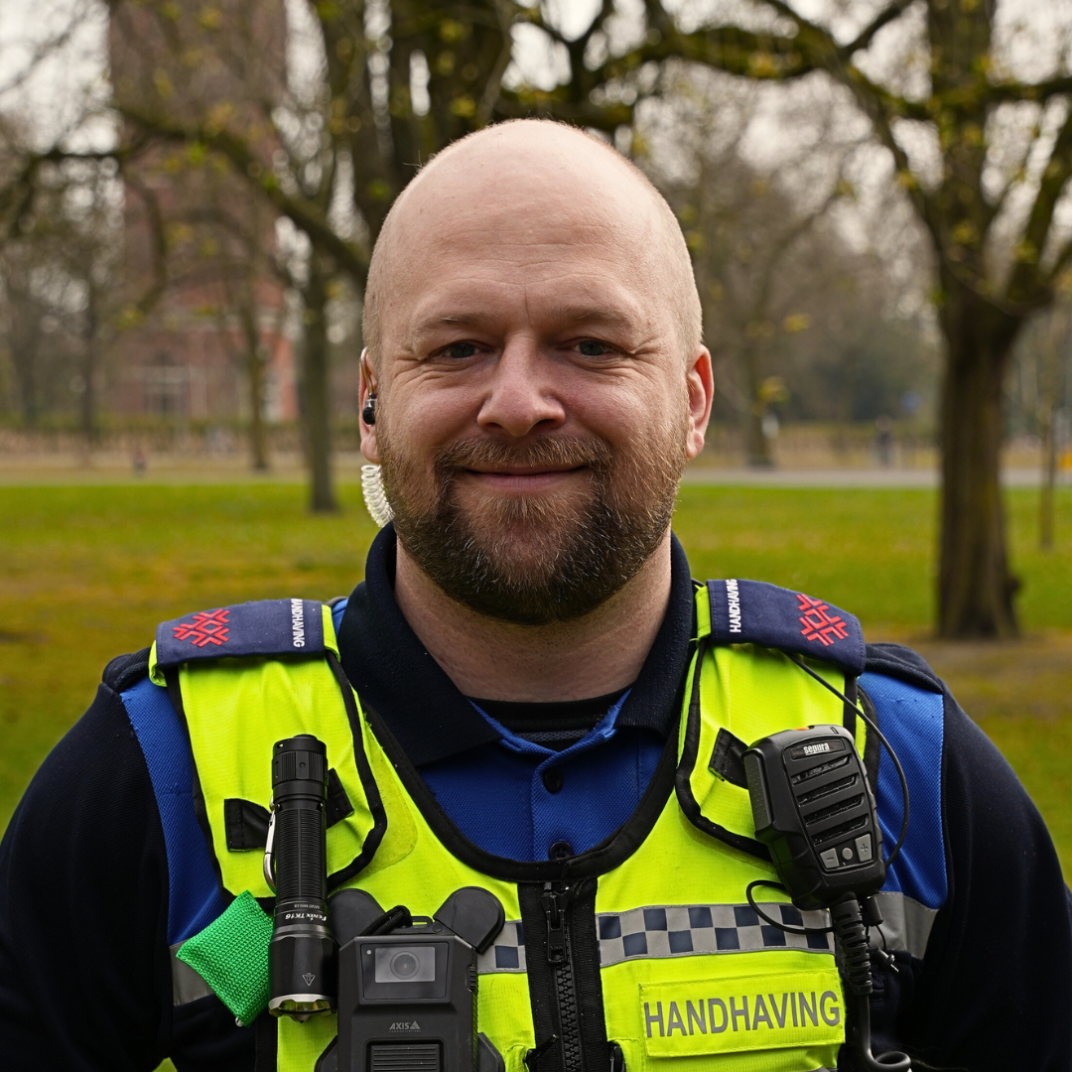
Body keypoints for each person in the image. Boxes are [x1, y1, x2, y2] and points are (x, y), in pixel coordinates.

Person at [0, 119, 1068, 1072]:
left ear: (691, 400)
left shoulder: (895, 762)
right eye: (458, 346)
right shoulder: (156, 772)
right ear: (372, 401)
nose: (517, 401)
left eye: (589, 345)